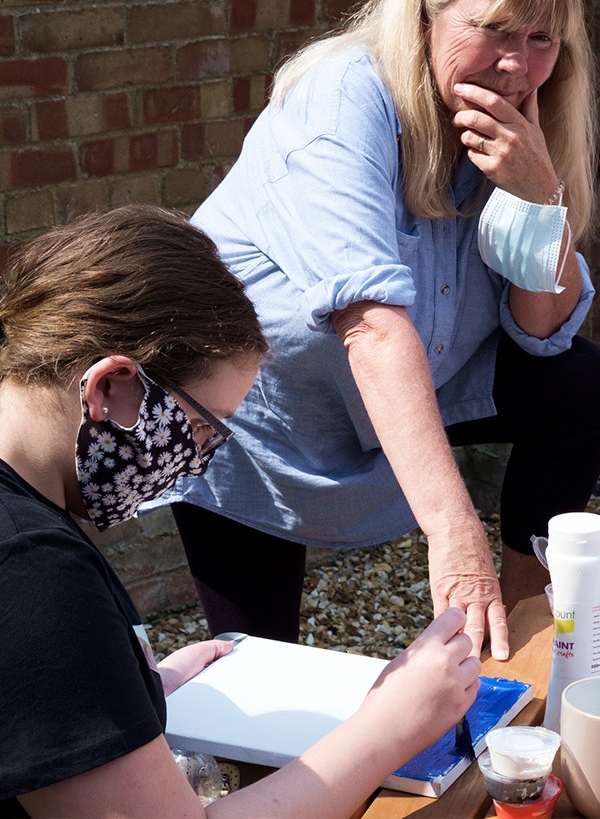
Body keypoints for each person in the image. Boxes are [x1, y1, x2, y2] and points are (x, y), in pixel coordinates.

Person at [156, 0, 600, 659]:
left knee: (578, 384)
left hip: (418, 378)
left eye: (544, 39)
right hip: (259, 418)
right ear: (428, 9)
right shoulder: (343, 101)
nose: (517, 66)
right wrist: (455, 535)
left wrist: (540, 199)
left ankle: (526, 644)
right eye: (493, 29)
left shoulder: (523, 125)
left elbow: (542, 333)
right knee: (260, 676)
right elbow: (373, 326)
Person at [0, 205, 481, 818]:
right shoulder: (30, 574)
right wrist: (388, 727)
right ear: (110, 388)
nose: (199, 462)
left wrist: (128, 695)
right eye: (203, 429)